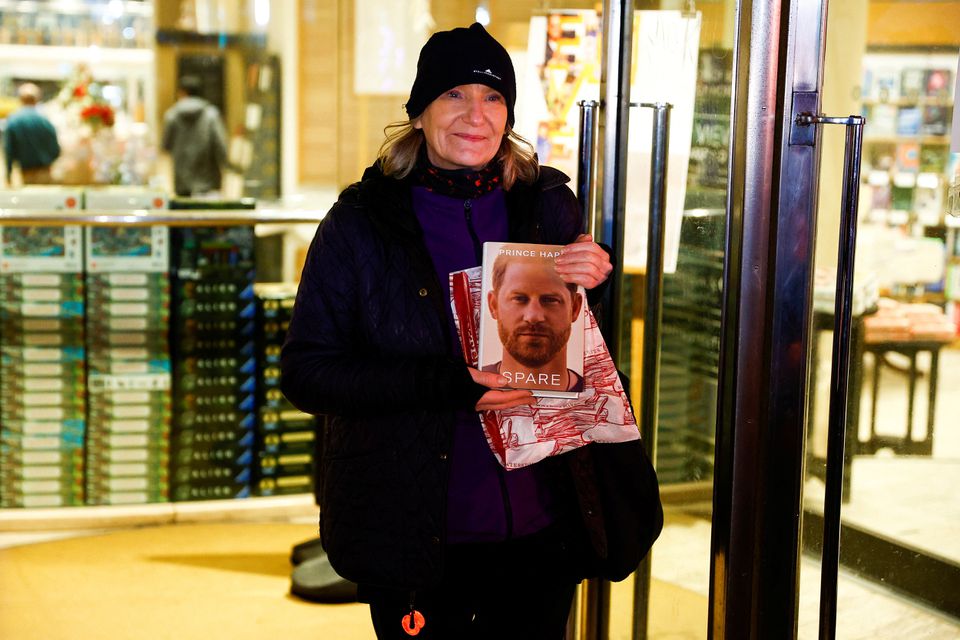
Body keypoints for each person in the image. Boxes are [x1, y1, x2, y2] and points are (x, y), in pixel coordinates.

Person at [281, 23, 614, 639]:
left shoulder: (544, 205)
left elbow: (584, 352)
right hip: (418, 536)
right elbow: (308, 373)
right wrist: (450, 383)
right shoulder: (360, 224)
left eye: (491, 98)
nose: (475, 115)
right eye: (453, 95)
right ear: (419, 113)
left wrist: (594, 272)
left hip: (540, 529)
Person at [483, 250, 585, 393]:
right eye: (519, 298)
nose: (533, 316)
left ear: (575, 308)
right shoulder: (465, 385)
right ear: (493, 305)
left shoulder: (606, 396)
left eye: (550, 300)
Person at [161, 75, 229, 197]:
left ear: (182, 92)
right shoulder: (211, 115)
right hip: (208, 184)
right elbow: (221, 147)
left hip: (182, 184)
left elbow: (165, 147)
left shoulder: (172, 115)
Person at [3, 83, 60, 186]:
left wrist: (8, 174)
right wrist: (49, 161)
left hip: (26, 171)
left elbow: (9, 150)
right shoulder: (44, 119)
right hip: (45, 171)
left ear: (20, 99)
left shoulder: (13, 120)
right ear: (36, 99)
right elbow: (55, 148)